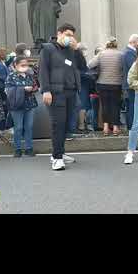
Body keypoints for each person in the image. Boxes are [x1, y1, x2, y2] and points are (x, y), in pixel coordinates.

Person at [39, 23, 81, 171]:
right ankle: (57, 158)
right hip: (56, 92)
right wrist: (45, 90)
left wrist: (77, 50)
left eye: (72, 35)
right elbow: (43, 70)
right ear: (59, 33)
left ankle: (60, 153)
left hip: (71, 91)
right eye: (68, 34)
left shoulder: (71, 50)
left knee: (67, 125)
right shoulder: (48, 49)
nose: (70, 38)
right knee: (58, 124)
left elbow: (82, 67)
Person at [88, 37, 124, 136]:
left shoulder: (101, 54)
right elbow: (124, 68)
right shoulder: (121, 54)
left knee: (104, 105)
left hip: (102, 84)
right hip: (116, 84)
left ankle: (105, 127)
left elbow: (90, 64)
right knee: (115, 105)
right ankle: (116, 127)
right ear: (116, 45)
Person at [5, 56, 39, 158]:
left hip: (30, 104)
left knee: (29, 127)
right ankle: (17, 149)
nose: (25, 66)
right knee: (18, 127)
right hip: (17, 105)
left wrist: (32, 89)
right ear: (16, 65)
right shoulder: (11, 76)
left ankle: (29, 148)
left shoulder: (29, 75)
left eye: (26, 64)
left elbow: (36, 86)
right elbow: (7, 90)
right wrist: (23, 89)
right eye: (22, 64)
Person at [122, 34, 138, 131]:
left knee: (134, 106)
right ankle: (132, 127)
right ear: (133, 42)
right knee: (132, 107)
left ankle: (135, 127)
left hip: (133, 84)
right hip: (131, 85)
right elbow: (133, 68)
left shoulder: (133, 52)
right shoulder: (128, 53)